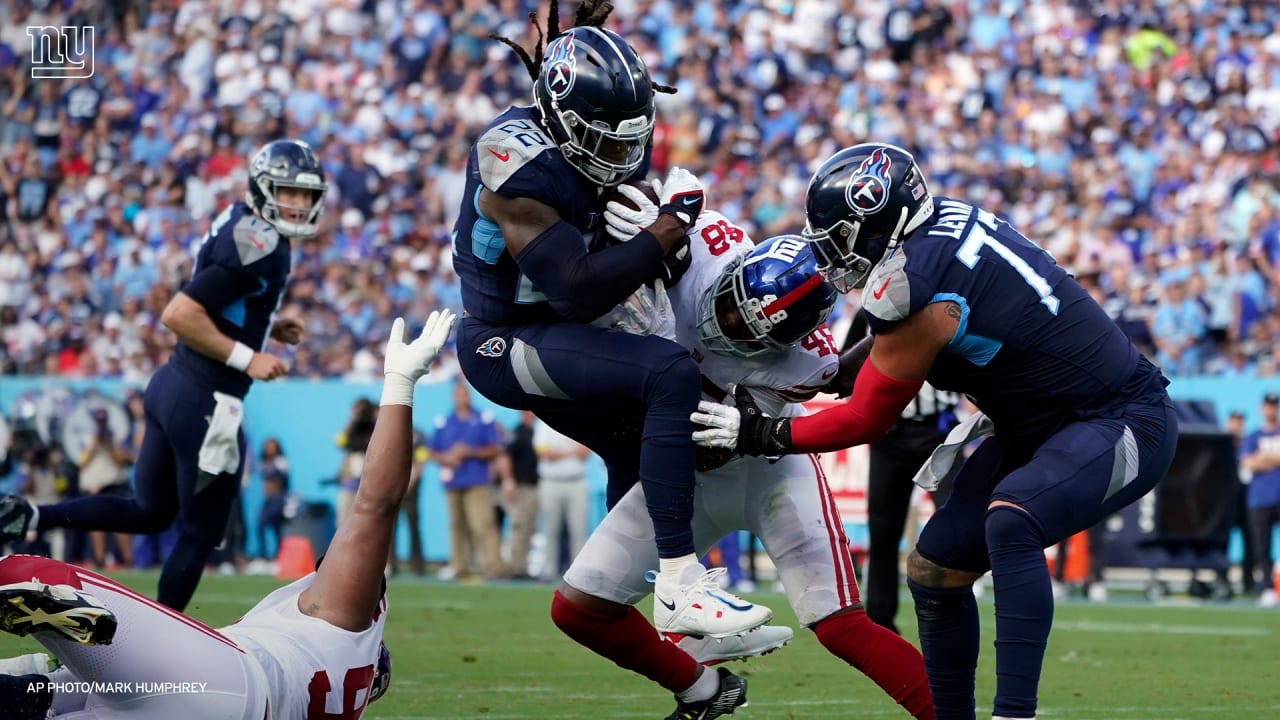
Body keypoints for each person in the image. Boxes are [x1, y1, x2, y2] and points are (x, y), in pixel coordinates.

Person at [691, 143, 1178, 720]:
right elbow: (897, 343)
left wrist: (758, 434)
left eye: (841, 236)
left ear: (880, 226)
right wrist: (829, 374)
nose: (831, 253)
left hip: (1121, 418)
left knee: (1012, 518)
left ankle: (1013, 714)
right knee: (934, 566)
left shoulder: (916, 287)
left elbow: (869, 418)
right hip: (1038, 427)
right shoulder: (933, 235)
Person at [453, 0, 771, 642]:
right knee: (669, 375)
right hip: (503, 339)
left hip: (562, 329)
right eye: (605, 139)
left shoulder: (583, 133)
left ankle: (630, 619)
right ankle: (680, 582)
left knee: (641, 447)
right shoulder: (516, 165)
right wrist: (667, 227)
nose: (622, 154)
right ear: (563, 121)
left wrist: (659, 237)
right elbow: (572, 290)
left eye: (632, 135)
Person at [559, 184, 934, 718]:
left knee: (841, 626)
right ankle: (704, 689)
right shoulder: (705, 247)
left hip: (768, 472)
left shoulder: (808, 364)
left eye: (749, 334)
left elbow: (712, 446)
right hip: (683, 473)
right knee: (578, 609)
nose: (726, 328)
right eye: (732, 308)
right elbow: (639, 204)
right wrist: (649, 227)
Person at [0, 310, 455, 720]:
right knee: (47, 699)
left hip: (231, 683)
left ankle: (49, 641)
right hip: (197, 698)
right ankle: (40, 673)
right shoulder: (339, 688)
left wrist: (399, 383)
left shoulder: (345, 626)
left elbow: (375, 504)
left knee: (27, 573)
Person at [0, 139, 328, 611]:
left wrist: (265, 325)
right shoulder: (265, 247)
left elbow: (215, 296)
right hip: (208, 404)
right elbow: (179, 313)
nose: (296, 204)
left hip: (171, 386)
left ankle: (30, 514)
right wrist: (246, 356)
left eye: (304, 195)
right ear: (261, 187)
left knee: (150, 511)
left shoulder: (240, 219)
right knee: (199, 535)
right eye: (286, 192)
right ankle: (163, 643)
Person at [428, 382, 505, 581]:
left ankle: (492, 565)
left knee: (483, 523)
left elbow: (495, 448)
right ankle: (459, 565)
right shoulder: (444, 421)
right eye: (459, 395)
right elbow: (431, 451)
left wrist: (470, 451)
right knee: (456, 525)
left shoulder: (482, 419)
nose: (462, 398)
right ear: (454, 397)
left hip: (476, 479)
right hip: (453, 480)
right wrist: (445, 457)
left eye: (465, 394)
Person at [1240, 391, 1280, 607]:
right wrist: (1273, 460)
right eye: (1268, 405)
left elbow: (1256, 461)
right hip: (1260, 499)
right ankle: (1266, 588)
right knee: (1261, 547)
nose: (1271, 409)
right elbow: (1247, 463)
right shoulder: (1254, 436)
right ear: (1262, 408)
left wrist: (1264, 458)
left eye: (1274, 405)